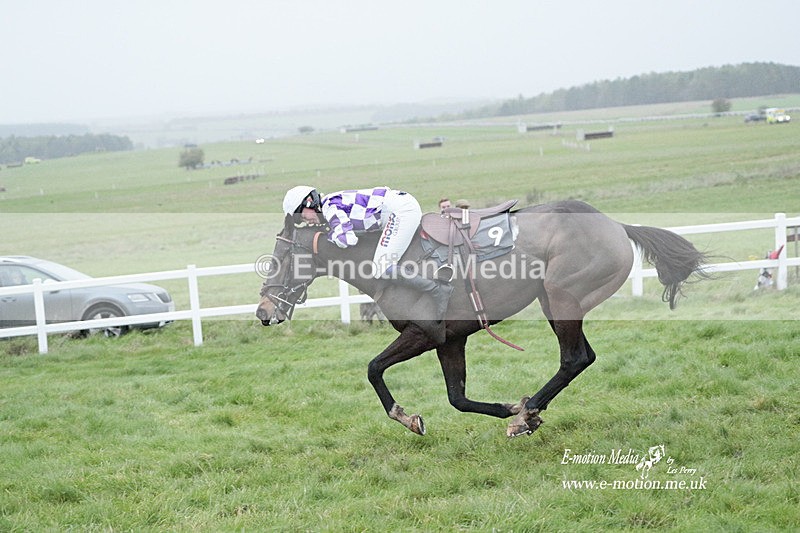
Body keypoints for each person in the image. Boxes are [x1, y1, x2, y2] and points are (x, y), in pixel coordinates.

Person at [282, 185, 452, 342]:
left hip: (400, 211)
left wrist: (327, 235)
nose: (307, 221)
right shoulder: (329, 205)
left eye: (303, 216)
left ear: (309, 202)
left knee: (381, 267)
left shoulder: (329, 208)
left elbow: (347, 239)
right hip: (399, 207)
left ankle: (436, 290)